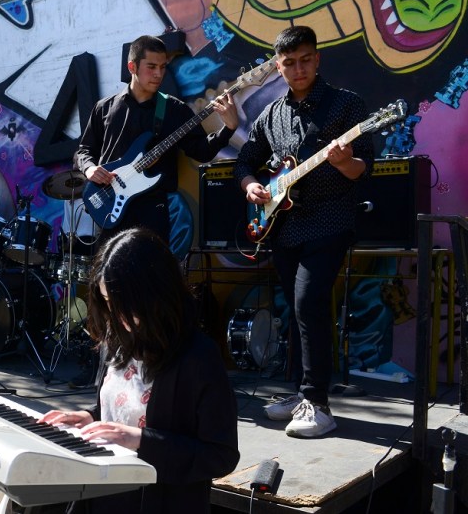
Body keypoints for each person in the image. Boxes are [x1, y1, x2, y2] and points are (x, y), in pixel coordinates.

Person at [235, 25, 374, 438]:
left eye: (306, 60)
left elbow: (363, 168)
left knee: (309, 302)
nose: (299, 69)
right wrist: (251, 186)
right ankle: (301, 394)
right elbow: (245, 161)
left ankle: (319, 404)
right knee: (295, 311)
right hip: (285, 226)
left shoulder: (346, 105)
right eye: (290, 63)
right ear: (279, 67)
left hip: (331, 219)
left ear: (318, 59)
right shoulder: (271, 114)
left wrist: (343, 161)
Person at [39, 228, 239, 513]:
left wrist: (140, 441)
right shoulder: (116, 339)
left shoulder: (198, 356)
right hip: (103, 495)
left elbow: (221, 455)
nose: (114, 314)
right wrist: (89, 417)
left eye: (122, 304)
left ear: (153, 294)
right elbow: (122, 408)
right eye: (108, 302)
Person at [74, 34, 238, 243]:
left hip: (152, 210)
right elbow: (83, 150)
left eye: (162, 67)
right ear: (132, 67)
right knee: (110, 265)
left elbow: (201, 151)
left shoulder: (175, 110)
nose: (158, 74)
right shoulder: (104, 107)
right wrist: (90, 169)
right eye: (151, 67)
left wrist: (228, 128)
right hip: (109, 206)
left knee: (151, 263)